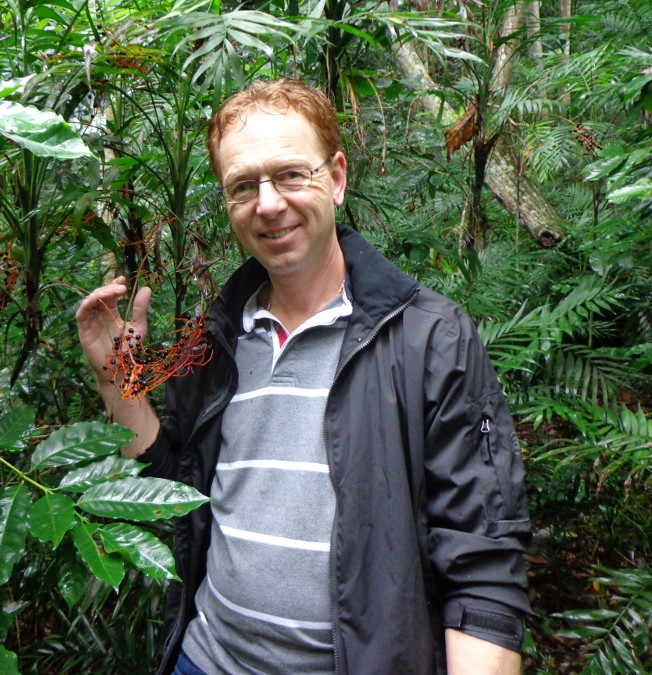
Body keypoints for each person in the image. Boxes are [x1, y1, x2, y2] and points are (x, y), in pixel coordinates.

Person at [76, 78, 531, 675]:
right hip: (206, 660)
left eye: (292, 175)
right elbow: (176, 495)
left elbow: (483, 553)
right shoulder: (211, 341)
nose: (268, 204)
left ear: (337, 178)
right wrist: (119, 385)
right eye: (243, 185)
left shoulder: (427, 337)